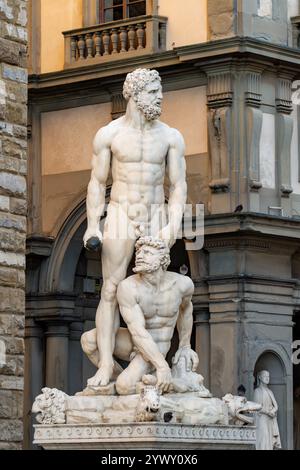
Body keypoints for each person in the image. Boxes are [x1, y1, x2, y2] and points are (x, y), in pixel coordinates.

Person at [82, 68, 187, 388]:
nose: (160, 98)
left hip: (154, 212)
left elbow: (179, 185)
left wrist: (174, 224)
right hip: (121, 212)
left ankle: (169, 358)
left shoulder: (171, 136)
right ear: (135, 94)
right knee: (110, 289)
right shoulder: (109, 135)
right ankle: (104, 365)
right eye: (154, 92)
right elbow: (97, 184)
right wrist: (91, 226)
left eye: (160, 91)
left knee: (160, 286)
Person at [81, 237, 199, 395]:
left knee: (125, 386)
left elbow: (186, 310)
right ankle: (118, 381)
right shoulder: (128, 287)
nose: (140, 255)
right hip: (135, 339)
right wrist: (162, 366)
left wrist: (185, 346)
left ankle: (173, 385)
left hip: (159, 343)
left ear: (163, 259)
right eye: (138, 252)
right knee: (88, 340)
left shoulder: (183, 285)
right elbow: (137, 331)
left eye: (148, 252)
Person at [253, 370, 281, 450]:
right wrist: (268, 412)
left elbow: (276, 405)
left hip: (269, 419)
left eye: (268, 376)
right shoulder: (257, 391)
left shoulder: (270, 392)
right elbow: (257, 407)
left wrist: (273, 411)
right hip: (261, 419)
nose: (267, 378)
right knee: (263, 438)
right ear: (260, 377)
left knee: (269, 440)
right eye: (265, 376)